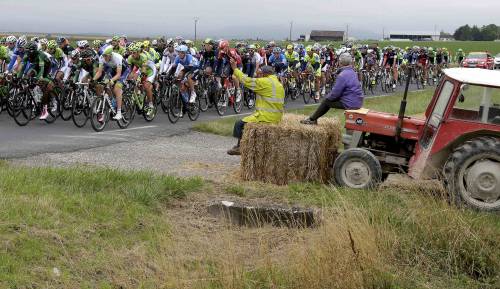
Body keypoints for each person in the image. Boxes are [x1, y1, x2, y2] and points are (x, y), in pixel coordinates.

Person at [227, 59, 285, 155]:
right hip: (277, 116)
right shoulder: (278, 83)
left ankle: (240, 147)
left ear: (265, 74)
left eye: (260, 73)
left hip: (266, 116)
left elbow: (246, 81)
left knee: (239, 124)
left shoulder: (265, 82)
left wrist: (235, 69)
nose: (258, 75)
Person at [301, 53, 363, 125]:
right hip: (357, 101)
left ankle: (312, 119)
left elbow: (335, 93)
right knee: (328, 100)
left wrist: (328, 98)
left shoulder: (342, 75)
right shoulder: (352, 72)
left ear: (340, 62)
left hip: (350, 103)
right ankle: (313, 119)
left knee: (326, 101)